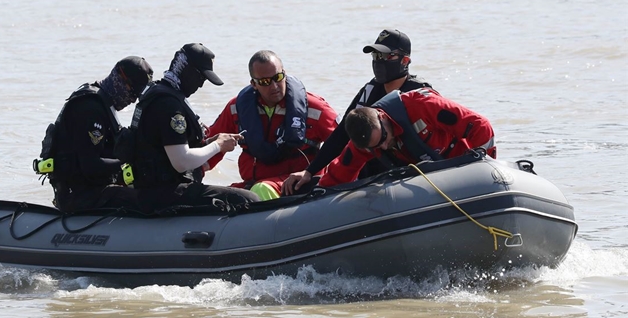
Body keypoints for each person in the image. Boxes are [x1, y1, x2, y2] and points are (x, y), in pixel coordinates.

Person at [283, 28, 433, 195]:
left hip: (412, 175)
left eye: (385, 56)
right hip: (372, 175)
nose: (379, 61)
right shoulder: (371, 90)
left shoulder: (420, 93)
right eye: (375, 56)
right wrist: (310, 171)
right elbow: (343, 133)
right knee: (305, 188)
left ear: (405, 60)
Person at [126, 43, 260, 212]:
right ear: (188, 71)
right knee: (248, 199)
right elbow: (181, 162)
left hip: (154, 189)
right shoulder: (169, 105)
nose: (201, 85)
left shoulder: (159, 93)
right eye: (201, 78)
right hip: (165, 195)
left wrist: (211, 142)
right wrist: (218, 145)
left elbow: (168, 149)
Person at [205, 50, 340, 200]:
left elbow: (343, 145)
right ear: (254, 84)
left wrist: (311, 173)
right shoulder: (236, 108)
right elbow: (210, 147)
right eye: (265, 82)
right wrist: (194, 173)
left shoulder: (315, 108)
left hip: (298, 184)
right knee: (216, 198)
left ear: (284, 73)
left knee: (261, 190)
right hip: (253, 183)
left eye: (278, 77)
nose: (274, 86)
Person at [35, 56, 154, 212]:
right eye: (132, 93)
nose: (132, 100)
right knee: (146, 200)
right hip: (79, 196)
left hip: (88, 191)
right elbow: (91, 165)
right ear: (120, 80)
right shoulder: (91, 108)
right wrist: (127, 161)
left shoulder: (102, 102)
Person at [318, 88, 497, 187]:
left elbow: (480, 126)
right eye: (376, 147)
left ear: (382, 117)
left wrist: (485, 170)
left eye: (384, 139)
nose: (385, 146)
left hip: (462, 168)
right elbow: (340, 172)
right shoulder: (368, 140)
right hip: (429, 183)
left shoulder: (422, 106)